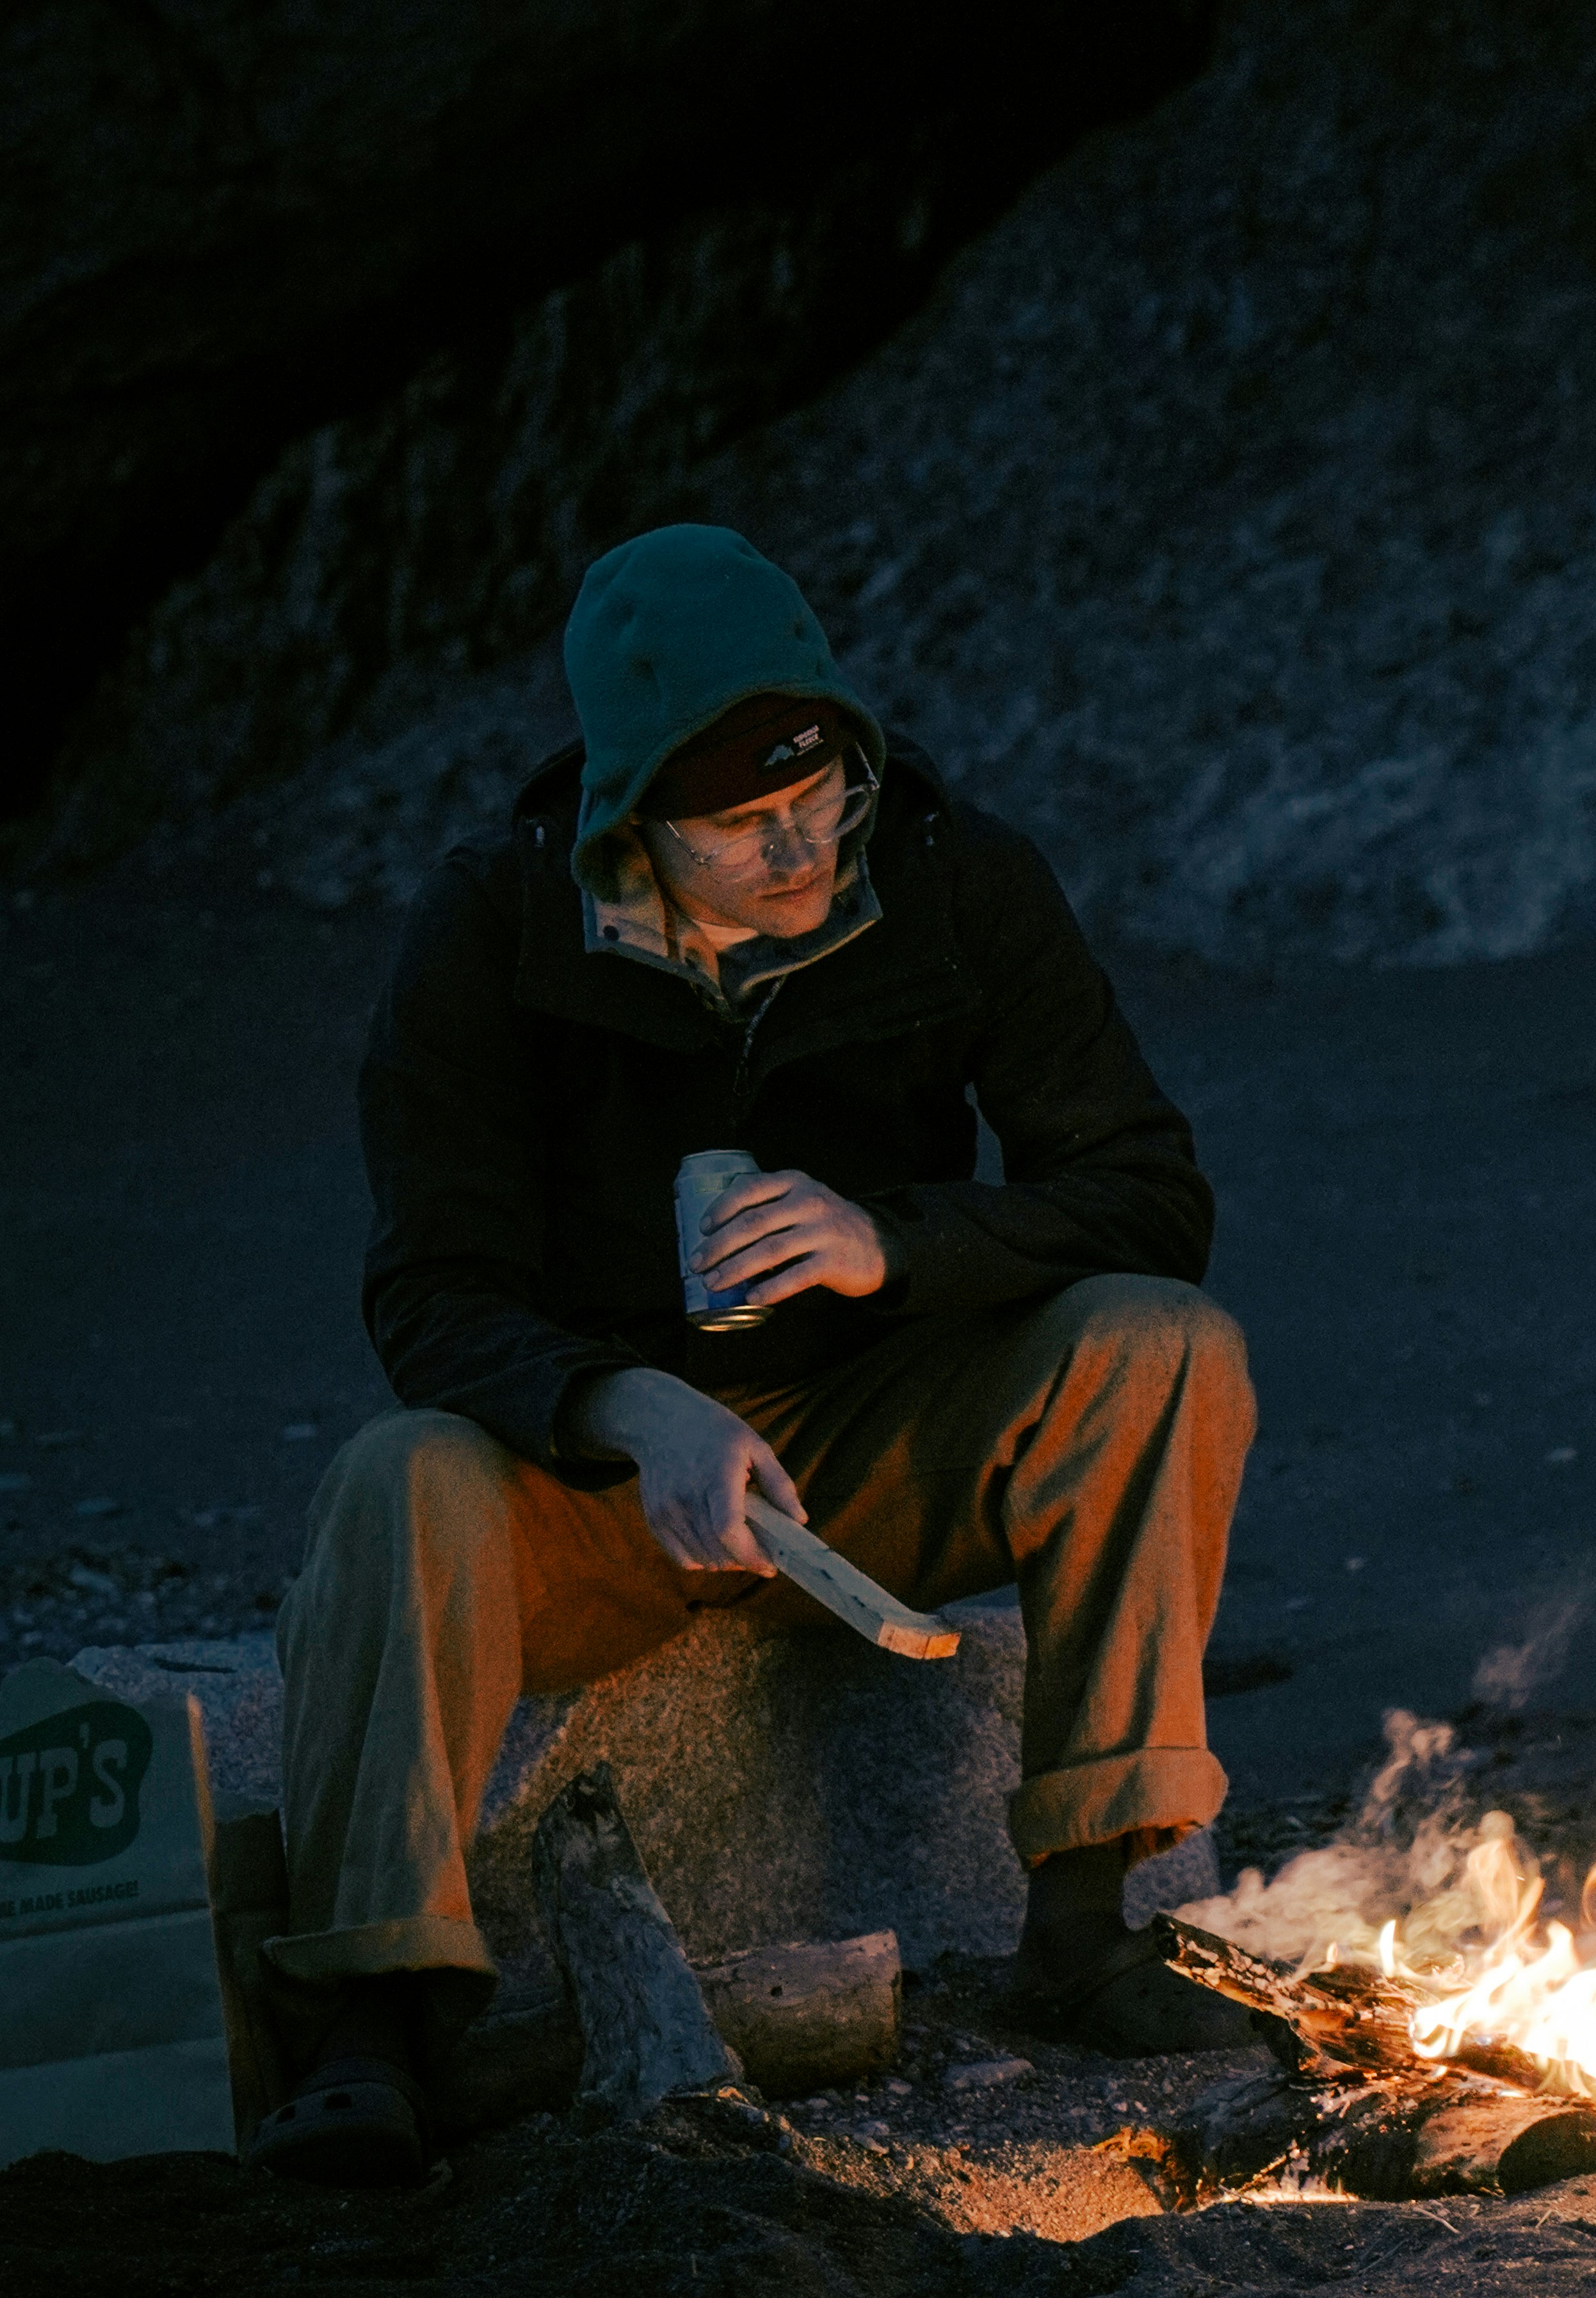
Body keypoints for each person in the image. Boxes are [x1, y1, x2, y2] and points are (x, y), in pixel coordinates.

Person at [248, 522, 1262, 2188]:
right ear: (636, 818)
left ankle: (1087, 1920)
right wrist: (626, 1409)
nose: (799, 843)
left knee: (1159, 1344)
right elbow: (430, 1295)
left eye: (824, 793)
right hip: (601, 1492)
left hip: (876, 1443)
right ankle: (375, 2017)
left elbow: (1148, 1192)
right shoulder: (497, 929)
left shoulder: (952, 877)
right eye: (742, 821)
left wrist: (901, 1243)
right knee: (395, 1474)